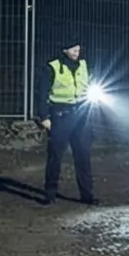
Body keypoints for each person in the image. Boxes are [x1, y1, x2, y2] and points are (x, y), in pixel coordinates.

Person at [35, 42, 98, 205]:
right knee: (55, 155)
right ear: (64, 49)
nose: (77, 51)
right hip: (61, 115)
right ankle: (50, 194)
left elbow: (91, 82)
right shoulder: (52, 67)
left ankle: (87, 195)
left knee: (83, 155)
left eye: (78, 48)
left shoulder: (85, 64)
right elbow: (42, 93)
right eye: (73, 48)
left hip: (82, 114)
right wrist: (44, 117)